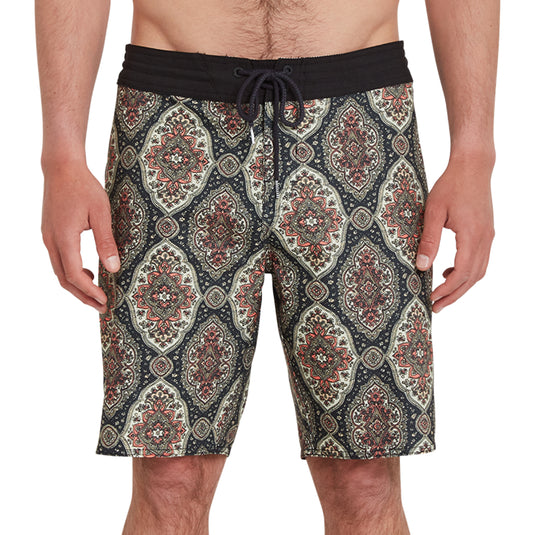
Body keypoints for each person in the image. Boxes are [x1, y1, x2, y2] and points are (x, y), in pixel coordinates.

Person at [35, 0, 498, 533]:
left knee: (364, 476)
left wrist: (474, 154)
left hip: (361, 120)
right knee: (169, 475)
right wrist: (61, 157)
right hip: (170, 118)